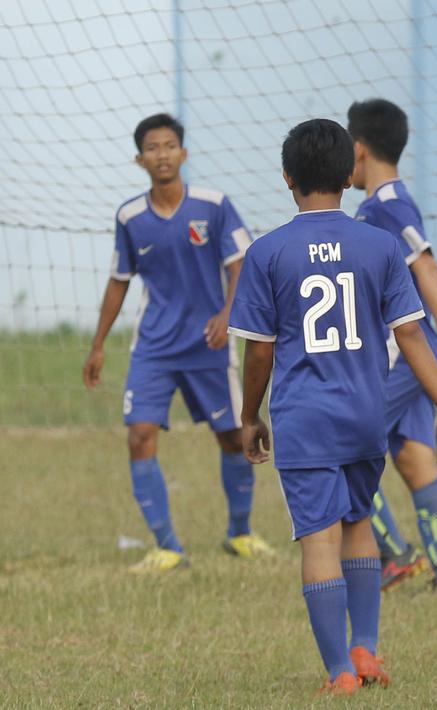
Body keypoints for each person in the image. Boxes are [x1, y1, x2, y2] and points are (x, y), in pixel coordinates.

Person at [227, 118, 437, 694]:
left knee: (320, 539)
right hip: (367, 414)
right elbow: (412, 337)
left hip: (305, 420)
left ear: (286, 177)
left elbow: (259, 352)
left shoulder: (267, 253)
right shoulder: (379, 245)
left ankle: (340, 672)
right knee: (359, 521)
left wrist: (249, 416)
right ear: (349, 173)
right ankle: (366, 649)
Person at [83, 112, 272, 573]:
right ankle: (167, 546)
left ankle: (241, 533)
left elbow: (241, 262)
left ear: (183, 154)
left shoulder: (213, 205)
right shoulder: (130, 216)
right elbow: (118, 281)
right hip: (154, 347)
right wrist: (98, 344)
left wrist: (230, 313)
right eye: (152, 147)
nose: (162, 154)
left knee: (232, 436)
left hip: (209, 346)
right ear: (139, 159)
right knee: (140, 434)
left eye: (169, 145)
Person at [348, 98, 437, 591]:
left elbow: (424, 265)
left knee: (346, 446)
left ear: (358, 149)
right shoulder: (383, 204)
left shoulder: (386, 205)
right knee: (412, 456)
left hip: (404, 353)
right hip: (405, 352)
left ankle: (392, 552)